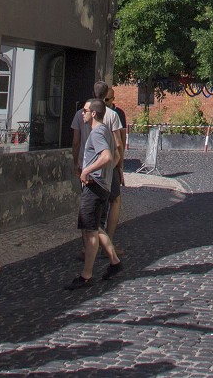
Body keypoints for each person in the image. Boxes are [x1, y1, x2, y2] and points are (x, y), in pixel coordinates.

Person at [67, 97, 121, 288]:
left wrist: (88, 171)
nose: (82, 113)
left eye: (84, 110)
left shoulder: (97, 132)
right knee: (97, 226)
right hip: (102, 185)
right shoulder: (105, 131)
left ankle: (86, 275)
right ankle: (114, 262)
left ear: (94, 113)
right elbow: (116, 155)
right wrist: (105, 176)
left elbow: (107, 156)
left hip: (94, 186)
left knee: (89, 230)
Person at [102, 85, 128, 246]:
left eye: (108, 99)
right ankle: (106, 244)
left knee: (111, 201)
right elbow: (120, 144)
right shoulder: (113, 115)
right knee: (110, 202)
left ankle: (105, 242)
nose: (106, 102)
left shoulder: (86, 113)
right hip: (107, 164)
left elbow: (122, 143)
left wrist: (121, 167)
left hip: (105, 165)